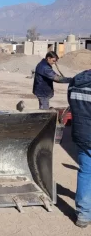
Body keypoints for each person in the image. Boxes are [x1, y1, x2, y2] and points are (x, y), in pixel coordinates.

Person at [68, 69, 91, 228]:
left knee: (86, 172)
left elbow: (72, 103)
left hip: (82, 133)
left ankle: (83, 215)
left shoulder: (76, 80)